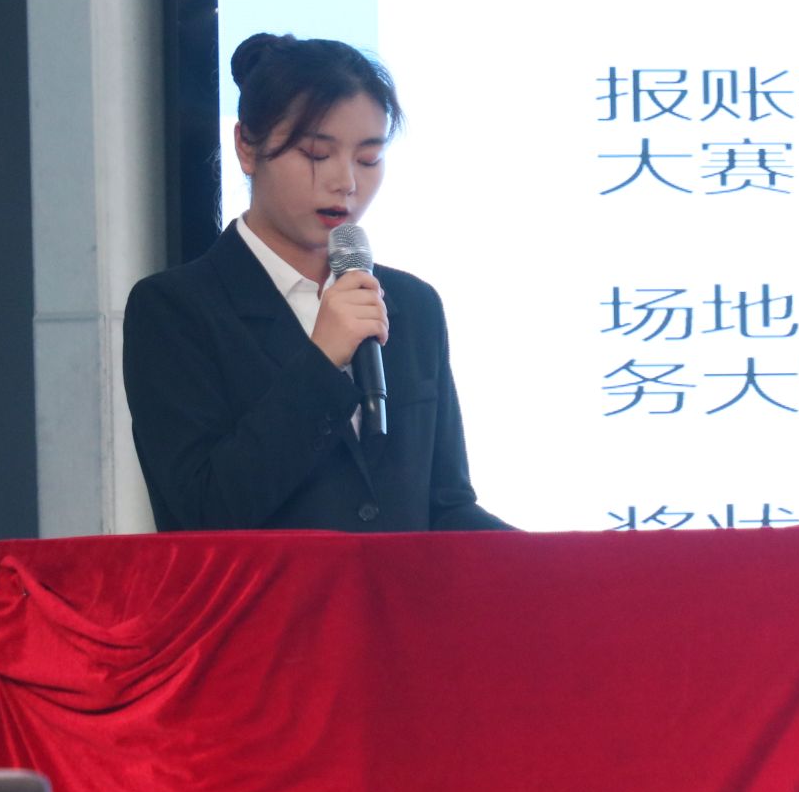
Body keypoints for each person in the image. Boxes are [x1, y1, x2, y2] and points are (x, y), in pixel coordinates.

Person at [123, 33, 511, 532]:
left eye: (368, 159)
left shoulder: (412, 305)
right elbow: (203, 512)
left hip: (396, 589)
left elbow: (445, 507)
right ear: (247, 147)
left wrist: (567, 564)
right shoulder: (174, 310)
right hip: (264, 588)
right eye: (316, 154)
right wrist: (322, 360)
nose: (346, 182)